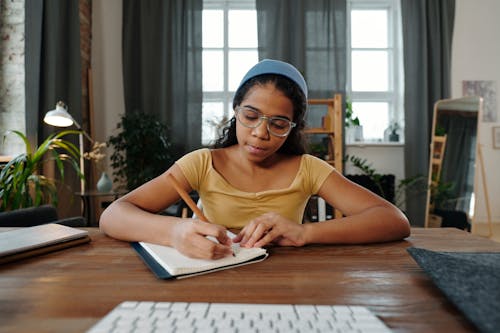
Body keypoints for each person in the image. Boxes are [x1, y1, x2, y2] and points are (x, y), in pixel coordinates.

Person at [100, 59, 410, 259]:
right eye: (250, 116)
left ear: (292, 129)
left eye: (277, 124)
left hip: (289, 284)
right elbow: (113, 215)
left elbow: (394, 221)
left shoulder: (309, 169)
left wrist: (305, 233)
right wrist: (174, 231)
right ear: (235, 113)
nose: (260, 133)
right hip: (208, 278)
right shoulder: (203, 163)